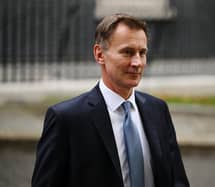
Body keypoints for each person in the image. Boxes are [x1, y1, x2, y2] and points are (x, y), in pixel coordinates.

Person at [32, 13, 190, 187]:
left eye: (142, 53)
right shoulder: (66, 119)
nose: (137, 62)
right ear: (100, 54)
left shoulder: (158, 109)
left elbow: (177, 179)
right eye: (128, 52)